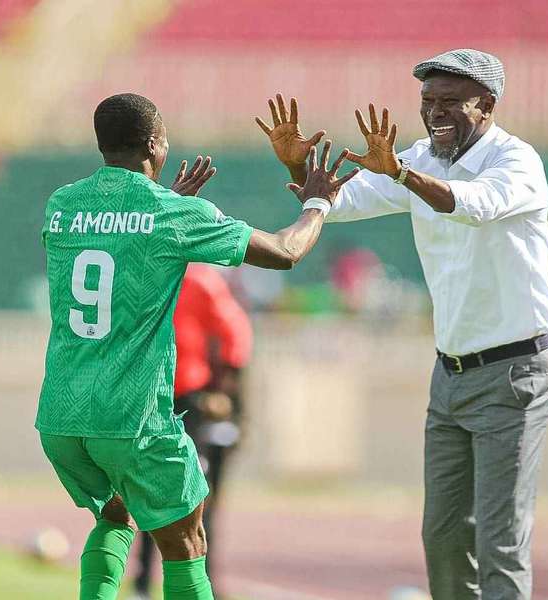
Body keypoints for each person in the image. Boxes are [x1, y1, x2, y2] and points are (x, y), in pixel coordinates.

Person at [256, 49, 548, 600]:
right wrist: (299, 169)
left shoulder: (516, 162)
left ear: (487, 105)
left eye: (450, 102)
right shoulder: (424, 159)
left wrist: (400, 171)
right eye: (427, 102)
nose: (435, 112)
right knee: (443, 538)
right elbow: (339, 201)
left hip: (514, 373)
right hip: (450, 375)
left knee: (501, 541)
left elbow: (472, 205)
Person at [37, 92, 356, 600]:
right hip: (133, 416)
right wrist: (318, 202)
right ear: (155, 143)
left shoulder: (62, 204)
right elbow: (284, 251)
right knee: (186, 541)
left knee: (115, 514)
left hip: (61, 415)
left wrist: (173, 207)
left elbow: (120, 245)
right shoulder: (171, 215)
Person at [131, 263, 252, 600]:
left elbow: (236, 336)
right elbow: (236, 335)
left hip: (183, 400)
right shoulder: (172, 277)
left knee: (185, 493)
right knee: (167, 492)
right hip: (160, 398)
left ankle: (181, 583)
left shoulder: (192, 279)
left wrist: (225, 393)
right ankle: (147, 583)